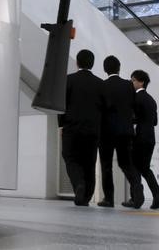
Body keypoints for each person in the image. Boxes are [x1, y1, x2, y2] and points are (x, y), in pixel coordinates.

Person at [59, 49, 105, 206]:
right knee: (89, 162)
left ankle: (79, 184)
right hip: (93, 130)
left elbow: (61, 105)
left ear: (77, 63)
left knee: (70, 158)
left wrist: (61, 125)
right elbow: (104, 109)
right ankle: (86, 197)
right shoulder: (100, 84)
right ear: (92, 64)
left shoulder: (68, 80)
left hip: (71, 128)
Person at [97, 55, 144, 208]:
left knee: (106, 165)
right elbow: (135, 107)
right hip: (125, 130)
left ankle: (109, 199)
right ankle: (137, 191)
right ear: (119, 68)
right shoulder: (128, 85)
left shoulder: (102, 86)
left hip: (106, 132)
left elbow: (100, 110)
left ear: (105, 69)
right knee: (126, 163)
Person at [130, 70, 159, 209]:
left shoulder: (136, 98)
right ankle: (157, 195)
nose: (131, 83)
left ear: (141, 82)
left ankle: (136, 198)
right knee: (144, 168)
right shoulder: (151, 100)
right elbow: (155, 121)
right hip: (150, 137)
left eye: (133, 81)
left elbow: (133, 118)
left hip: (140, 137)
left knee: (134, 168)